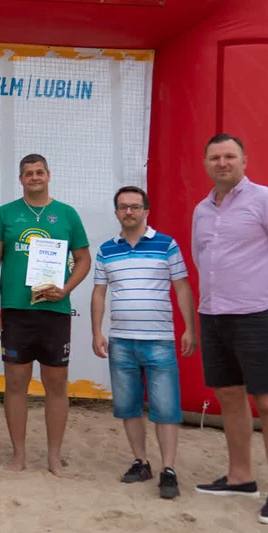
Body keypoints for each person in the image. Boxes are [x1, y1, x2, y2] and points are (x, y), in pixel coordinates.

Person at [191, 134, 268, 525]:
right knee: (228, 396)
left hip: (257, 313)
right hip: (213, 314)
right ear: (206, 163)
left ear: (244, 160)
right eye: (214, 157)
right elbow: (201, 258)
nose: (222, 163)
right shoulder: (202, 210)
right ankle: (241, 476)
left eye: (229, 156)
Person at [0, 154, 90, 474]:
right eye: (28, 173)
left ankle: (54, 456)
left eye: (39, 172)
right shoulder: (4, 214)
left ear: (49, 175)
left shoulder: (67, 214)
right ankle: (19, 454)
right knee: (16, 382)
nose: (34, 178)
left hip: (54, 309)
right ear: (20, 179)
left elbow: (84, 260)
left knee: (56, 383)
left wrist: (67, 288)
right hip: (17, 310)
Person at [91, 186, 196, 499]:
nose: (129, 212)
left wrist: (189, 328)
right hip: (121, 340)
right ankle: (141, 462)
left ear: (146, 211)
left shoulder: (166, 245)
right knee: (128, 407)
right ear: (116, 212)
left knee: (165, 408)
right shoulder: (106, 249)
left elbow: (182, 288)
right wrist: (97, 331)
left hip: (159, 339)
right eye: (123, 207)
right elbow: (99, 292)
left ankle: (168, 469)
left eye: (135, 207)